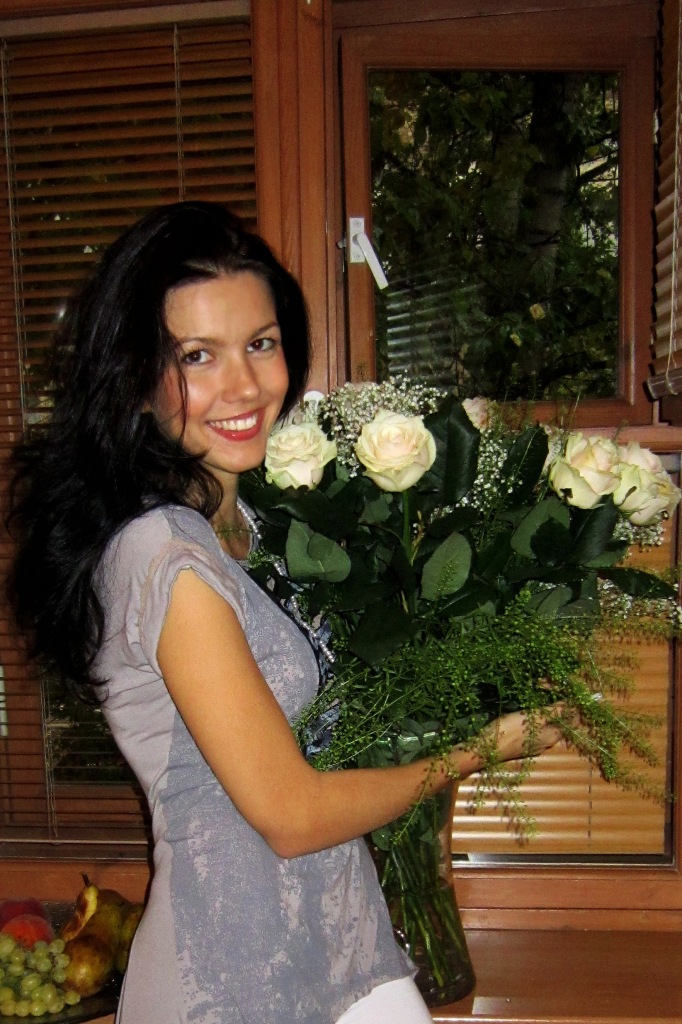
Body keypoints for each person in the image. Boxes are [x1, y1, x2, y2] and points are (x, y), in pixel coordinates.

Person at [7, 201, 562, 1024]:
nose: (244, 386)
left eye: (260, 344)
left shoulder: (249, 523)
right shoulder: (167, 556)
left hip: (338, 936)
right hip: (230, 979)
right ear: (136, 380)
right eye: (198, 356)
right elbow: (292, 815)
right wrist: (479, 749)